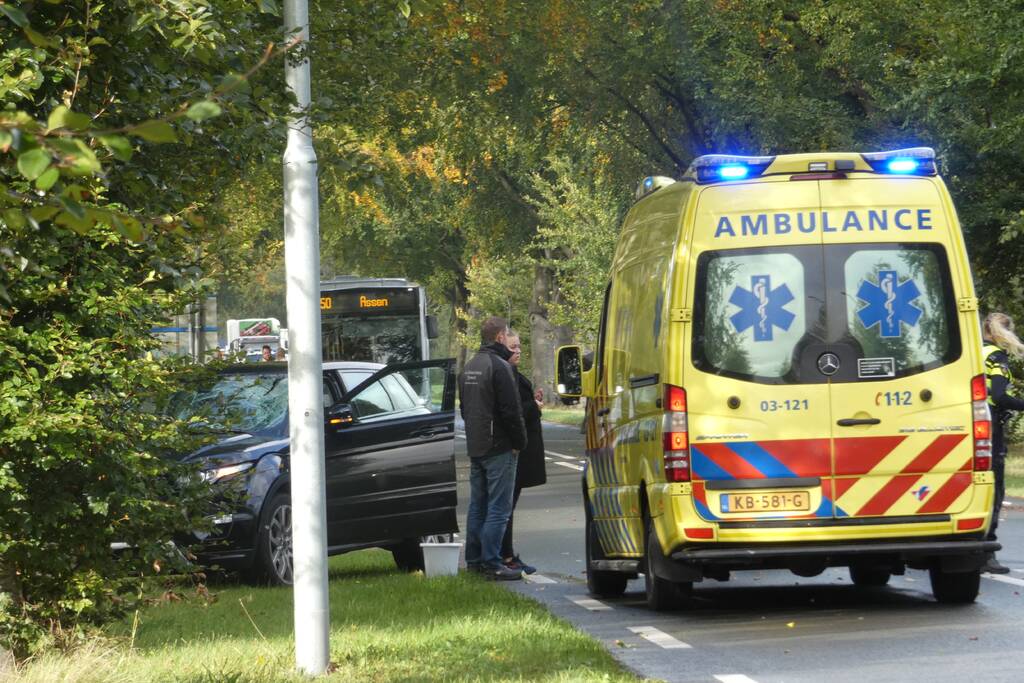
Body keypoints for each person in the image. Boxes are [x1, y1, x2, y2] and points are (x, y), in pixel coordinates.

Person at [459, 316, 527, 580]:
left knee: (478, 505)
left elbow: (465, 409)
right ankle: (492, 562)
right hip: (499, 446)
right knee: (499, 507)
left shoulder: (470, 367)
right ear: (500, 337)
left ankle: (474, 560)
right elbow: (512, 411)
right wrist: (519, 443)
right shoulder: (500, 368)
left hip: (476, 445)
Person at [499, 331, 547, 575]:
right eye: (513, 347)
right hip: (516, 450)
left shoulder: (512, 374)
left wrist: (533, 400)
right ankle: (505, 556)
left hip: (521, 449)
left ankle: (505, 554)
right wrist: (534, 406)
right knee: (505, 507)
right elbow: (514, 411)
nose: (518, 351)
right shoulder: (505, 375)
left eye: (519, 346)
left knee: (507, 506)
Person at [982, 312, 1024, 574]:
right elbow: (999, 396)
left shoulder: (973, 352)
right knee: (995, 488)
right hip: (991, 428)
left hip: (971, 424)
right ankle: (988, 551)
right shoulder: (997, 357)